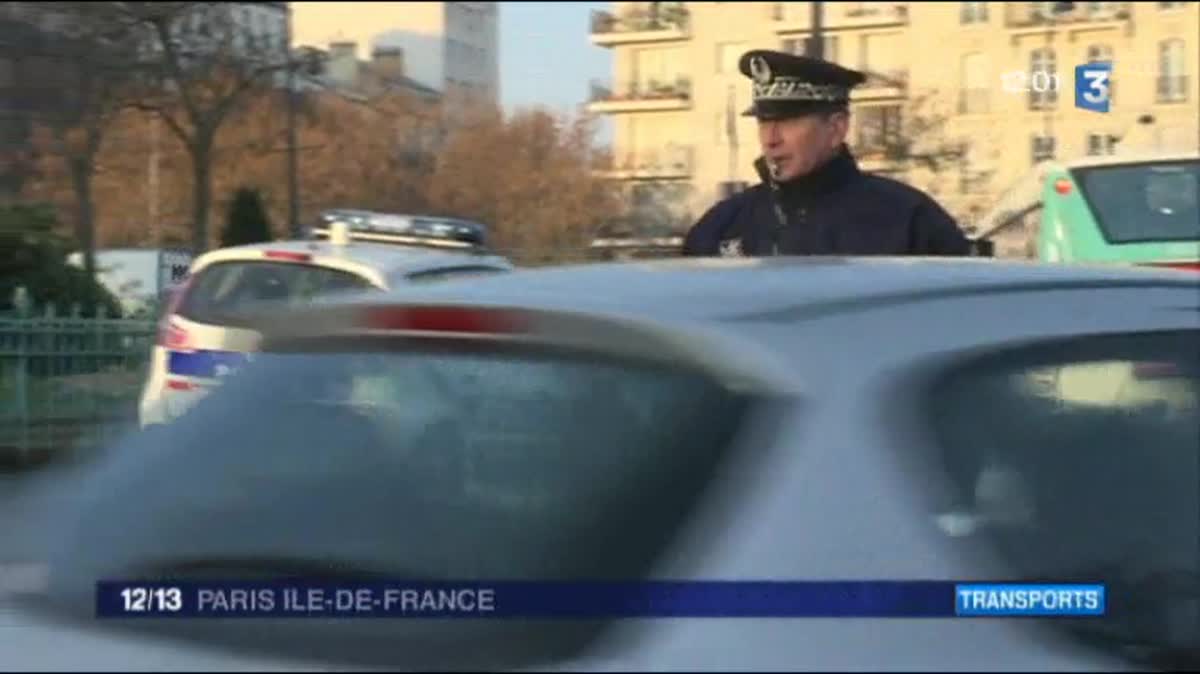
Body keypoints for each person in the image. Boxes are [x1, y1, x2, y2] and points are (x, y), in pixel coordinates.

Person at [682, 49, 973, 257]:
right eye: (764, 122)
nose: (770, 139)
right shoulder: (724, 224)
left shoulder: (907, 218)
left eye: (787, 122)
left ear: (836, 129)